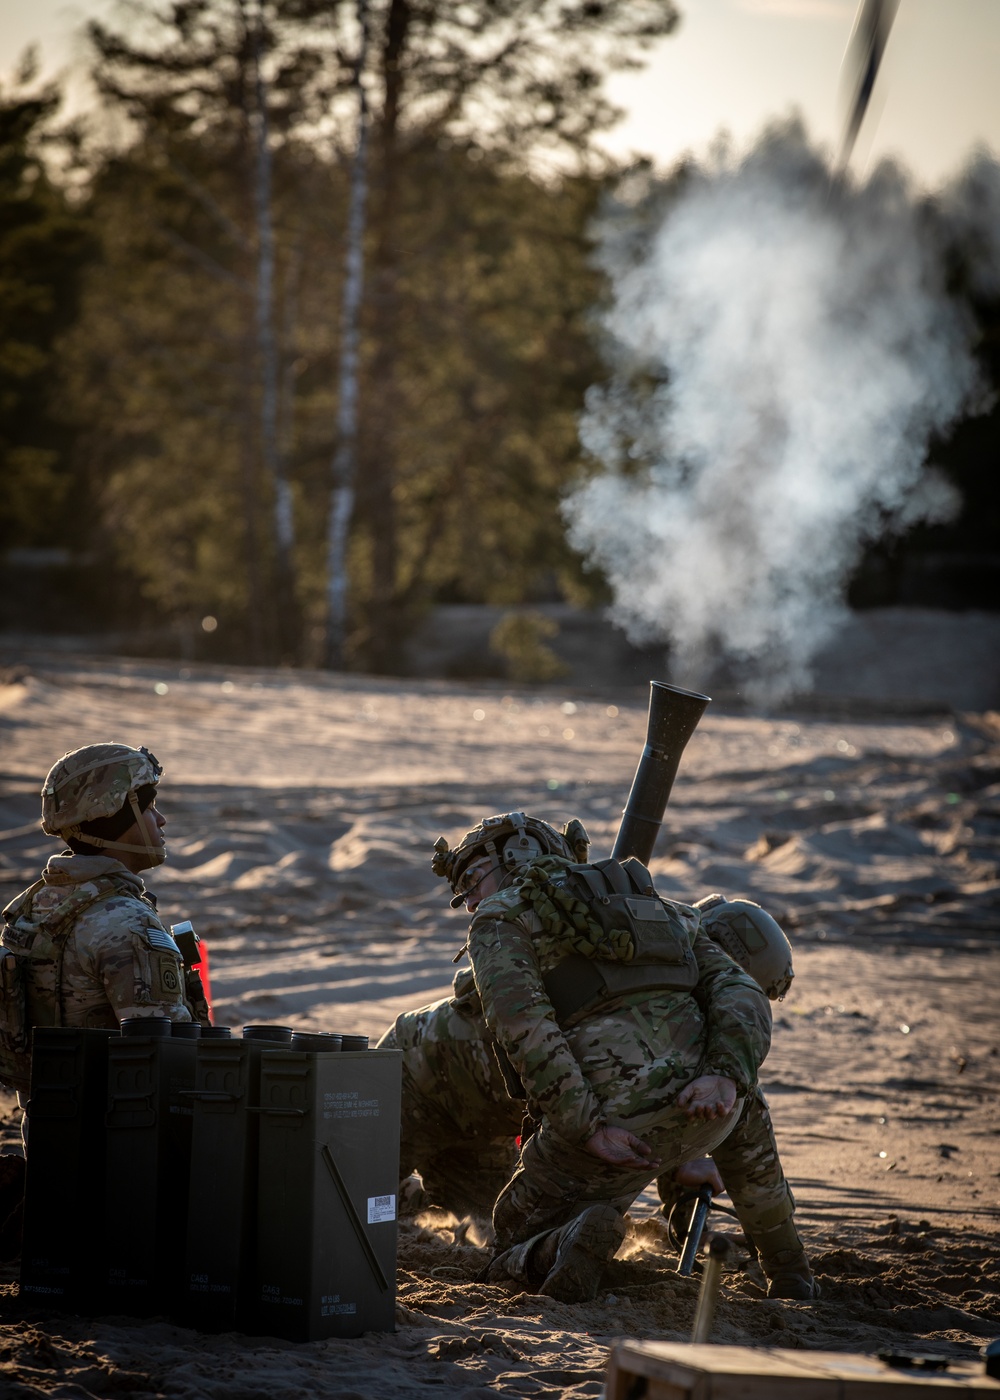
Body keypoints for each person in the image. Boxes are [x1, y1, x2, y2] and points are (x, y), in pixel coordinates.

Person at [424, 812, 817, 1302]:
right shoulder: (653, 901)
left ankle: (574, 1237)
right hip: (713, 1110)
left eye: (472, 879)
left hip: (614, 1128)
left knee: (507, 1247)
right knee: (749, 1111)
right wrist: (726, 1076)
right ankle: (790, 1271)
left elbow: (524, 1027)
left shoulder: (500, 918)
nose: (471, 900)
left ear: (513, 857)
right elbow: (738, 987)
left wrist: (588, 1127)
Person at [0, 742, 208, 1098]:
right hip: (120, 1138)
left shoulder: (38, 905)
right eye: (148, 807)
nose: (161, 820)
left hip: (53, 1128)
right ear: (116, 816)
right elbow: (169, 1053)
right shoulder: (125, 920)